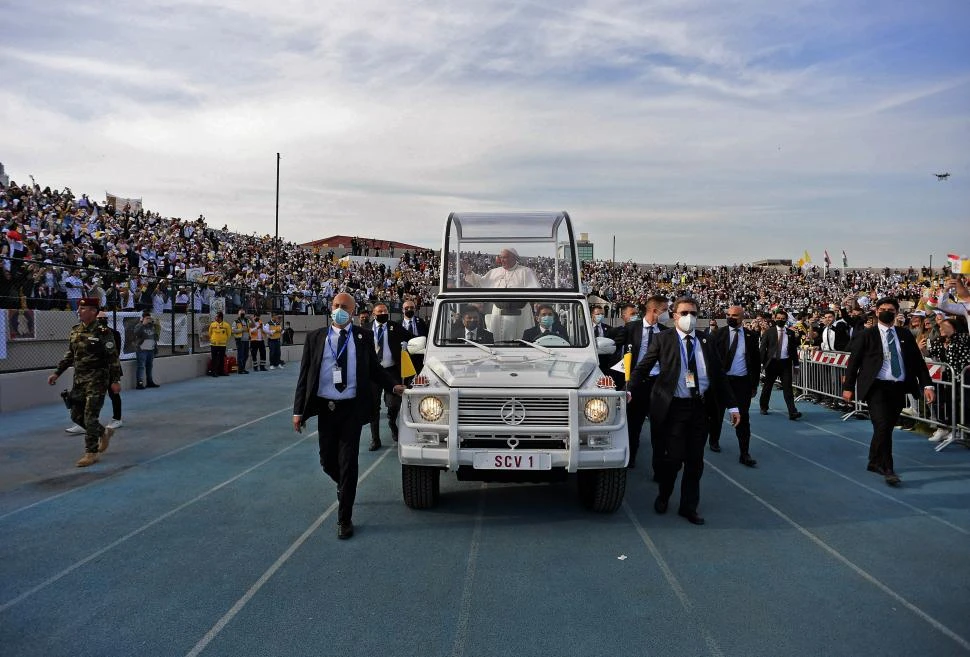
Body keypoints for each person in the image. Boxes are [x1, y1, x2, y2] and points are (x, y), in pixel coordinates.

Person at [292, 292, 405, 540]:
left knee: (348, 462)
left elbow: (375, 371)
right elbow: (304, 376)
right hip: (326, 409)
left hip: (351, 409)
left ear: (352, 312)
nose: (338, 309)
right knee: (326, 461)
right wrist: (298, 411)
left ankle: (344, 518)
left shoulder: (362, 337)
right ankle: (343, 486)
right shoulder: (315, 338)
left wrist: (393, 386)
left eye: (344, 306)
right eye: (335, 305)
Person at [630, 297, 740, 525]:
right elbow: (643, 367)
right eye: (684, 313)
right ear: (674, 316)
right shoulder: (663, 339)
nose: (689, 317)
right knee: (674, 459)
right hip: (673, 408)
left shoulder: (706, 341)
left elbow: (719, 376)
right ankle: (664, 494)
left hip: (699, 408)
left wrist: (733, 405)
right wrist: (629, 389)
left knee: (695, 461)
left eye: (693, 313)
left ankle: (688, 507)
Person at [842, 297, 934, 486]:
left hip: (898, 387)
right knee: (883, 425)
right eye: (882, 308)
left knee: (886, 427)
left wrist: (927, 385)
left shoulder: (905, 334)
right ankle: (888, 468)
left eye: (890, 309)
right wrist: (848, 387)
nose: (886, 312)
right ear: (876, 312)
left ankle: (874, 460)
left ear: (896, 312)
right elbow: (854, 362)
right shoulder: (867, 335)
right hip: (876, 387)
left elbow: (918, 362)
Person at [47, 297, 123, 467]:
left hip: (97, 380)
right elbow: (70, 355)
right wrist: (57, 373)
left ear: (93, 312)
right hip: (79, 380)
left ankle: (91, 452)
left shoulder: (103, 332)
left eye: (83, 309)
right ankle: (103, 432)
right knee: (76, 415)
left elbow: (113, 358)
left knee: (90, 416)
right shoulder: (75, 330)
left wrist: (115, 380)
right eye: (79, 309)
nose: (79, 311)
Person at [620, 295, 669, 472]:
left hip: (659, 385)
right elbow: (614, 353)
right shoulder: (631, 328)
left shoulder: (665, 331)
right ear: (654, 310)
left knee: (660, 427)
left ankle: (659, 467)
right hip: (637, 384)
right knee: (633, 425)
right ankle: (631, 458)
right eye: (665, 310)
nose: (667, 313)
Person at [707, 305, 761, 466]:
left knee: (743, 417)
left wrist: (754, 385)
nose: (731, 317)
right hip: (721, 382)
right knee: (716, 414)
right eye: (729, 315)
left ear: (743, 317)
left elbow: (756, 362)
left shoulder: (751, 336)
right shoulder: (718, 334)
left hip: (741, 383)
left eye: (735, 315)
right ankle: (714, 439)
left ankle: (744, 453)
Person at [367, 302, 414, 450]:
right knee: (373, 407)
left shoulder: (395, 326)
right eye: (380, 311)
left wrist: (410, 344)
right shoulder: (366, 329)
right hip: (373, 373)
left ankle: (392, 422)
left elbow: (412, 338)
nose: (383, 313)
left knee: (394, 404)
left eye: (385, 311)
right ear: (374, 314)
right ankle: (375, 439)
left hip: (391, 371)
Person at [925, 317, 970, 443]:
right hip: (948, 379)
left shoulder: (963, 338)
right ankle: (946, 428)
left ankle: (960, 430)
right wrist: (922, 348)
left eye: (944, 326)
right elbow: (930, 353)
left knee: (963, 404)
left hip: (963, 378)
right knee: (948, 404)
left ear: (954, 327)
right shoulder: (940, 341)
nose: (941, 329)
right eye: (940, 327)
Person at [759, 308, 802, 420]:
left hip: (785, 363)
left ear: (786, 320)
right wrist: (762, 364)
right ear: (775, 318)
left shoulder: (790, 333)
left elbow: (793, 350)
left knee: (788, 388)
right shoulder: (769, 332)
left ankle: (792, 411)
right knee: (767, 387)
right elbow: (763, 348)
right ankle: (763, 406)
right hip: (772, 363)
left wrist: (796, 365)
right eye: (778, 318)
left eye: (783, 319)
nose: (780, 320)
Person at [461, 248, 540, 289]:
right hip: (497, 311)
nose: (501, 260)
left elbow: (535, 291)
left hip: (519, 312)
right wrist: (470, 274)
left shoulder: (526, 272)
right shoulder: (494, 272)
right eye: (501, 257)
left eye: (505, 257)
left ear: (514, 258)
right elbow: (480, 283)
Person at [132, 310, 160, 388]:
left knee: (149, 366)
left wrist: (156, 347)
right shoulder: (139, 325)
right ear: (143, 318)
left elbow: (155, 337)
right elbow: (136, 333)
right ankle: (139, 383)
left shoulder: (152, 327)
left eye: (149, 318)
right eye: (147, 318)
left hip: (150, 350)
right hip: (142, 350)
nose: (148, 320)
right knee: (141, 366)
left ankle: (150, 382)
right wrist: (143, 324)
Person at [208, 310, 231, 377]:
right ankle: (214, 372)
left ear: (220, 317)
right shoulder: (212, 324)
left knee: (222, 359)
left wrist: (224, 340)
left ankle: (221, 372)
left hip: (222, 345)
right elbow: (210, 333)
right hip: (214, 345)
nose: (215, 318)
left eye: (216, 316)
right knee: (214, 359)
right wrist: (212, 339)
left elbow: (229, 334)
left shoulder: (226, 325)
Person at [232, 310, 252, 374]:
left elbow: (254, 325)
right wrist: (241, 330)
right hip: (240, 340)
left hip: (246, 340)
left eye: (243, 313)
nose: (242, 314)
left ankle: (243, 368)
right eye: (241, 313)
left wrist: (251, 318)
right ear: (238, 314)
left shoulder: (247, 321)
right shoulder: (235, 322)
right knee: (240, 355)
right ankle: (240, 369)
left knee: (246, 355)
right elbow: (233, 330)